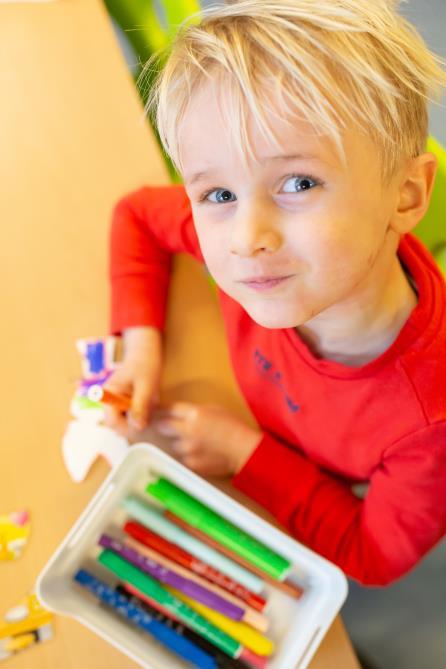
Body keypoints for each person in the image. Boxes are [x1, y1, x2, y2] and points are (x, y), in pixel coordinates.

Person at [104, 0, 446, 585]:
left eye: (298, 183)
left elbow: (372, 555)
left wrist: (245, 454)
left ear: (407, 197)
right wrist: (141, 345)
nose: (246, 239)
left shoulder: (429, 420)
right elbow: (138, 214)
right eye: (217, 194)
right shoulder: (273, 261)